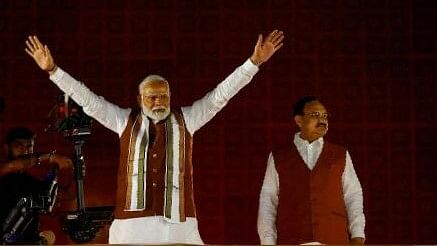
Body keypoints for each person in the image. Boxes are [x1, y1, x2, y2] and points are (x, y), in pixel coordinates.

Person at [25, 30, 284, 244]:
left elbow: (220, 96)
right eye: (152, 96)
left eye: (164, 95)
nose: (159, 101)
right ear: (140, 99)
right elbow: (88, 100)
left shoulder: (188, 119)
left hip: (180, 224)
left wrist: (254, 63)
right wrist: (53, 70)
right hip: (132, 226)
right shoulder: (122, 120)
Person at [257, 96, 365, 245]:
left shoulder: (341, 154)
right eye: (315, 115)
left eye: (325, 116)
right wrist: (267, 241)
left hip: (334, 238)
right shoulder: (278, 156)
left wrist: (358, 235)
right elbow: (268, 200)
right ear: (298, 120)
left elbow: (353, 195)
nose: (322, 120)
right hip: (292, 239)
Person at [0, 126, 73, 244]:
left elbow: (67, 195)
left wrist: (74, 168)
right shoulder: (3, 170)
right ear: (6, 148)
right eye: (19, 146)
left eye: (29, 146)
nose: (25, 151)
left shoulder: (29, 182)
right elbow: (13, 165)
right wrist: (50, 157)